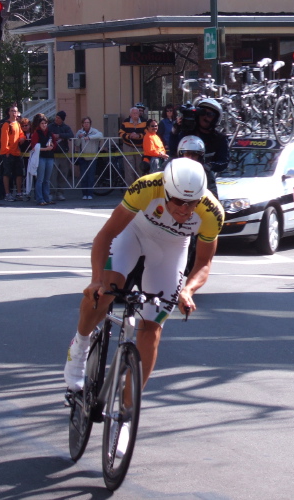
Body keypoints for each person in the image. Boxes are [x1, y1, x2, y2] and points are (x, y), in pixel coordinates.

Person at [63, 158, 224, 457]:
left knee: (152, 328)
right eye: (177, 201)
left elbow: (203, 263)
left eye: (192, 203)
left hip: (173, 249)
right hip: (133, 235)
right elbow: (105, 236)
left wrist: (188, 290)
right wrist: (96, 280)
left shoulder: (212, 212)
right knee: (104, 294)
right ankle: (80, 346)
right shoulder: (146, 187)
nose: (184, 209)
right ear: (165, 189)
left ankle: (125, 417)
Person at [171, 98, 229, 199]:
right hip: (181, 176)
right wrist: (175, 130)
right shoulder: (185, 133)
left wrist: (209, 166)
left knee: (213, 206)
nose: (205, 117)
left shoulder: (220, 138)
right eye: (202, 113)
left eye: (209, 115)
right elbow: (172, 151)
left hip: (204, 177)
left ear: (216, 118)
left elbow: (223, 161)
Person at [0, 105, 26, 202]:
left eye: (15, 111)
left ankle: (19, 193)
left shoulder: (17, 124)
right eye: (12, 111)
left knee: (19, 173)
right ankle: (7, 194)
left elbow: (21, 133)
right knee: (7, 173)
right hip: (8, 153)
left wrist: (22, 137)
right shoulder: (7, 124)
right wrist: (6, 151)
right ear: (9, 113)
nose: (14, 113)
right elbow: (4, 139)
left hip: (16, 153)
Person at [31, 113, 58, 206]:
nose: (44, 125)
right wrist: (45, 149)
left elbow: (54, 144)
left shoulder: (50, 133)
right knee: (40, 179)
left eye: (45, 123)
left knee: (47, 180)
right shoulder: (36, 133)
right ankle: (40, 199)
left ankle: (47, 198)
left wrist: (52, 146)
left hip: (50, 157)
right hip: (41, 157)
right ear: (39, 124)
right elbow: (34, 147)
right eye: (42, 123)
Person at [75, 116, 103, 200]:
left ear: (90, 124)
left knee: (91, 176)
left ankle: (90, 194)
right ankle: (84, 194)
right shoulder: (79, 132)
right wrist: (79, 137)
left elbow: (100, 135)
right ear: (82, 124)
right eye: (85, 123)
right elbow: (76, 143)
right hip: (83, 157)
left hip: (93, 157)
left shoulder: (94, 131)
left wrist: (90, 137)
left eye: (88, 123)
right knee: (83, 176)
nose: (86, 124)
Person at [49, 111, 74, 201]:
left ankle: (60, 193)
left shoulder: (66, 127)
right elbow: (47, 134)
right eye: (56, 117)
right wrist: (53, 136)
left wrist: (60, 135)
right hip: (53, 154)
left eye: (59, 118)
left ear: (62, 119)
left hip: (64, 154)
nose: (56, 119)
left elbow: (71, 135)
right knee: (53, 174)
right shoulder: (50, 126)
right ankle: (52, 193)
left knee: (63, 174)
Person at [119, 106, 146, 186]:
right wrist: (129, 136)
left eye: (137, 113)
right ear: (130, 114)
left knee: (139, 168)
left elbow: (147, 133)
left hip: (140, 147)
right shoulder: (125, 122)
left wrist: (138, 136)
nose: (135, 114)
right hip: (128, 146)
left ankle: (140, 189)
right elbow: (120, 133)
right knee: (129, 169)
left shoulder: (144, 122)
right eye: (134, 113)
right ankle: (130, 190)